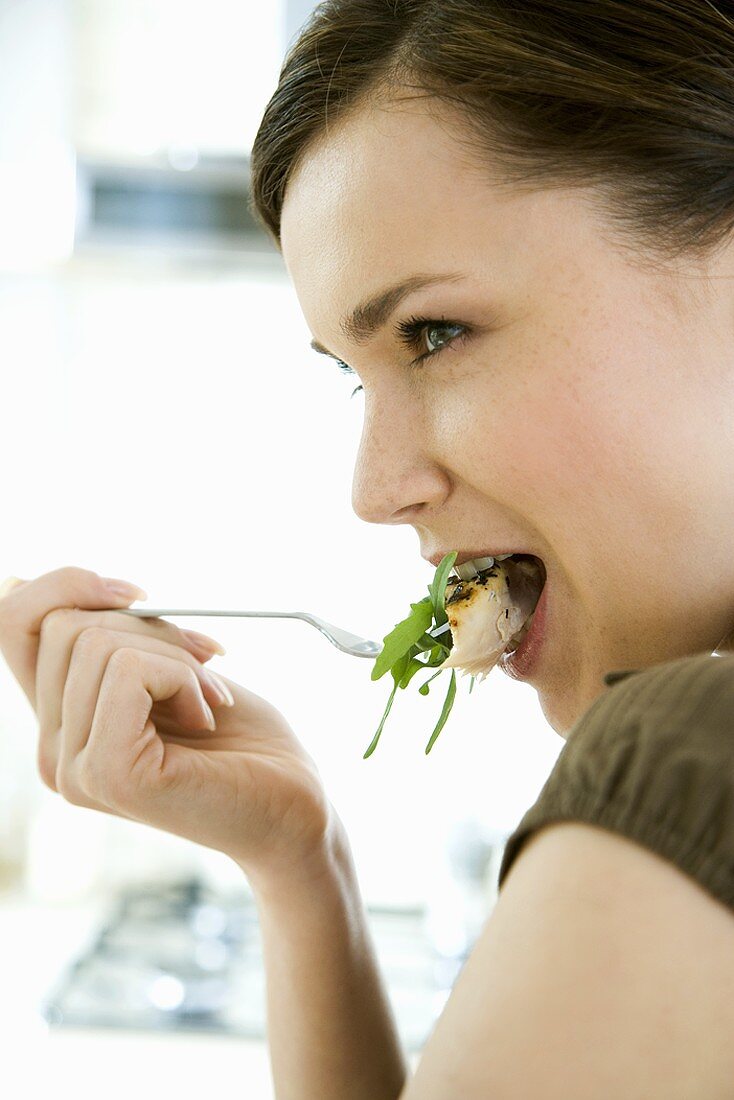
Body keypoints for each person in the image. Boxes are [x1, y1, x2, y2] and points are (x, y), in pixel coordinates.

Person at [2, 0, 734, 1095]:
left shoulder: (677, 756)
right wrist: (300, 862)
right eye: (354, 374)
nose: (373, 491)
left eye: (433, 334)